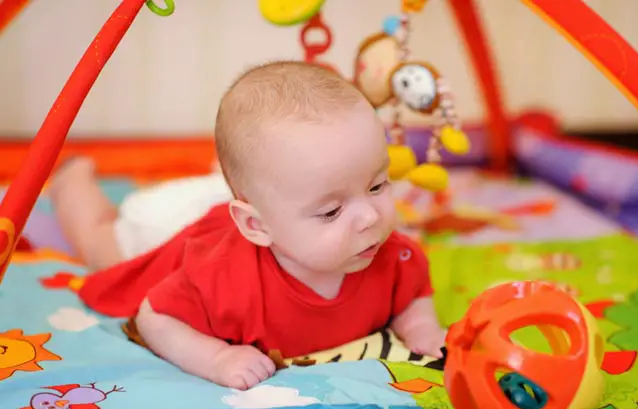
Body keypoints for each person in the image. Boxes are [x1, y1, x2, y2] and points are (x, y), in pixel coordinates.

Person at [50, 61, 446, 390]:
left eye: (377, 185)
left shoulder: (389, 252)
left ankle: (235, 181)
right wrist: (217, 357)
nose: (371, 217)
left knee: (272, 183)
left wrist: (421, 326)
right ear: (257, 225)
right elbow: (156, 316)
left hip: (254, 204)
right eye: (331, 212)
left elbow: (411, 292)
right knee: (101, 241)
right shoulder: (219, 279)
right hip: (173, 224)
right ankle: (72, 178)